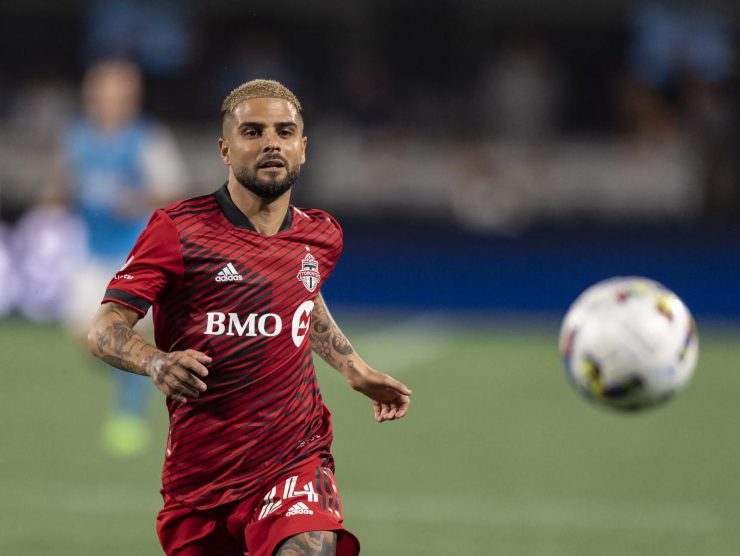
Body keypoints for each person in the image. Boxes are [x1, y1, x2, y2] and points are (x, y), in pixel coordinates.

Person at [87, 79, 412, 556]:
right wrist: (156, 362)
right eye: (253, 131)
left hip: (295, 461)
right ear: (225, 147)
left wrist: (354, 368)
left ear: (303, 146)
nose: (271, 143)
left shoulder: (321, 236)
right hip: (201, 481)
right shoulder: (177, 230)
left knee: (309, 547)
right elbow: (105, 328)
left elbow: (303, 299)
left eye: (285, 131)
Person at [42, 58, 187, 455]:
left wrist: (136, 199)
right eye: (102, 92)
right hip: (90, 254)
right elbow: (61, 181)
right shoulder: (77, 138)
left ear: (130, 98)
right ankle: (143, 371)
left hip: (133, 255)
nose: (108, 100)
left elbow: (173, 190)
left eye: (117, 93)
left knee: (117, 333)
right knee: (85, 340)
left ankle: (129, 415)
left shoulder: (147, 139)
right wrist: (53, 201)